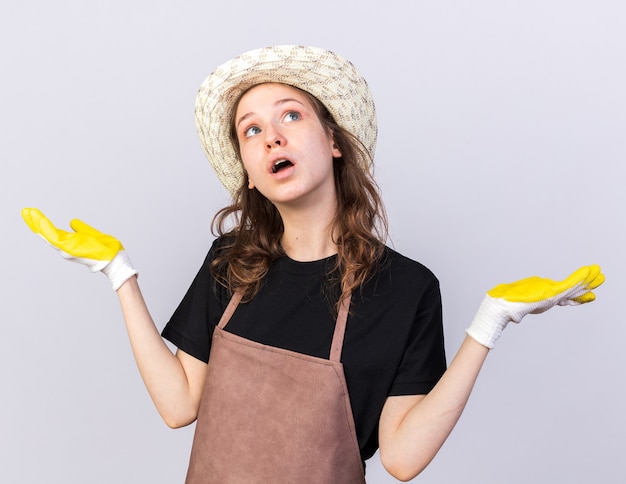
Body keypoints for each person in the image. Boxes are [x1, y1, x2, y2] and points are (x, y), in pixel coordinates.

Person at [21, 45, 604, 483]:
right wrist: (119, 275)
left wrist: (489, 324)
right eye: (252, 130)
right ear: (250, 170)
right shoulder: (231, 263)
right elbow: (178, 406)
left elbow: (401, 458)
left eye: (290, 116)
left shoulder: (406, 289)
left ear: (333, 141)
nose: (271, 137)